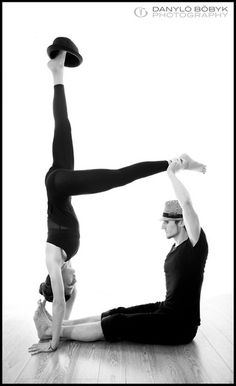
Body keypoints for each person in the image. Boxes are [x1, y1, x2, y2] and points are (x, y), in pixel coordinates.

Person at [29, 40, 207, 355]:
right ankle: (57, 73)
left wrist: (56, 327)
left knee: (73, 137)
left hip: (59, 183)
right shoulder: (57, 259)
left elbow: (63, 302)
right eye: (72, 282)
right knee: (112, 172)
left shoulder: (61, 257)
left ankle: (57, 73)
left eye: (70, 280)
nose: (73, 278)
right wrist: (54, 336)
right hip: (58, 185)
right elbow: (62, 303)